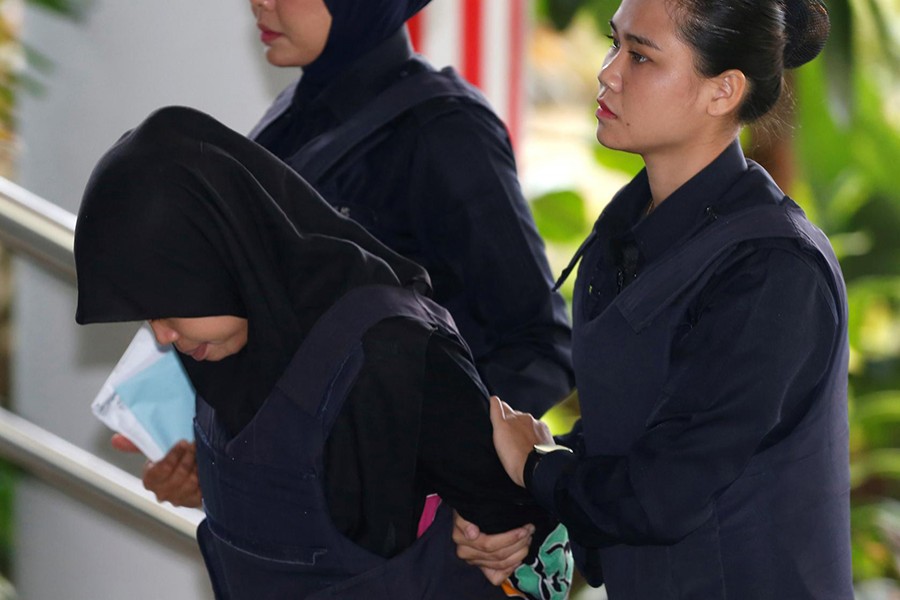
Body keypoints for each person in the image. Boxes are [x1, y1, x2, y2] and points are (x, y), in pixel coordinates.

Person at [74, 106, 572, 599]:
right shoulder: (221, 352)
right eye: (147, 315)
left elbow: (515, 526)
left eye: (169, 305)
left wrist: (502, 531)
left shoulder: (392, 350)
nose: (162, 337)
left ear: (222, 252)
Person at [115, 0, 575, 518]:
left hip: (393, 539)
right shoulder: (291, 118)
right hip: (305, 523)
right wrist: (218, 457)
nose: (259, 3)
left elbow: (541, 344)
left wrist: (416, 461)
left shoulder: (443, 128)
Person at [456, 0, 854, 597]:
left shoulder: (772, 269)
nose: (607, 72)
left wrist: (536, 467)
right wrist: (531, 519)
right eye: (615, 44)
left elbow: (662, 493)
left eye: (640, 56)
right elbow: (635, 433)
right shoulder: (633, 233)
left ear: (723, 91)